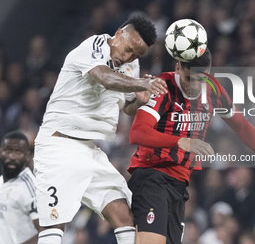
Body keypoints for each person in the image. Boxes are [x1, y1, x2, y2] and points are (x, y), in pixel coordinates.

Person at [128, 48, 255, 244]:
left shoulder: (213, 90)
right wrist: (179, 141)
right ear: (177, 68)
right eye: (188, 78)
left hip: (178, 184)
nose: (194, 86)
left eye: (200, 79)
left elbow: (243, 127)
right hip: (152, 175)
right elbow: (137, 132)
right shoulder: (163, 86)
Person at [33, 16, 168, 244]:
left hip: (89, 150)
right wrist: (143, 84)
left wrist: (141, 101)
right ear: (117, 34)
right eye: (127, 49)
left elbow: (127, 107)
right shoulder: (94, 45)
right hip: (58, 146)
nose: (127, 57)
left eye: (135, 55)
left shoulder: (129, 65)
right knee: (55, 223)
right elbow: (104, 78)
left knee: (124, 215)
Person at [0, 131, 39, 244]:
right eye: (8, 151)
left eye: (18, 152)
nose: (12, 157)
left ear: (27, 156)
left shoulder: (30, 187)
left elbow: (45, 233)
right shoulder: (2, 182)